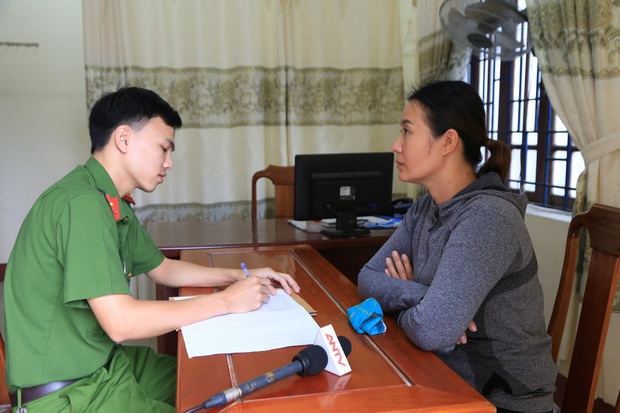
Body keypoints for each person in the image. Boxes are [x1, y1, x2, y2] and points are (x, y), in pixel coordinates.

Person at [4, 87, 300, 413]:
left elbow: (163, 268)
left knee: (221, 380)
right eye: (164, 148)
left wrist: (239, 274)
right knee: (226, 401)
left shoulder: (109, 201)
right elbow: (121, 323)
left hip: (106, 365)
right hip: (72, 394)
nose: (169, 163)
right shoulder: (83, 205)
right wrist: (225, 301)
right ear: (124, 139)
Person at [357, 80, 557, 413]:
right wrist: (422, 295)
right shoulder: (425, 208)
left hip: (500, 401)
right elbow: (367, 278)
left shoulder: (489, 217)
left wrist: (418, 307)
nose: (396, 145)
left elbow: (432, 329)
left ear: (448, 141)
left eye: (407, 132)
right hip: (442, 379)